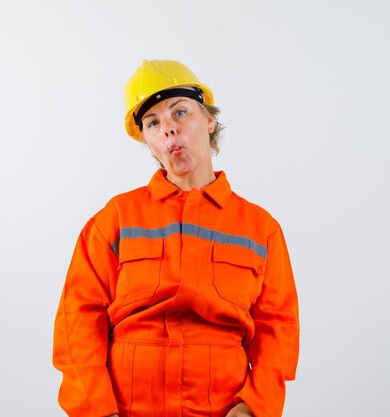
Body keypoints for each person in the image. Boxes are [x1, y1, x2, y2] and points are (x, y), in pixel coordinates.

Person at [53, 59, 299, 417]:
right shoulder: (116, 219)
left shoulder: (260, 228)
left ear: (210, 120)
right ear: (149, 144)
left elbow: (278, 329)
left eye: (179, 113)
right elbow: (77, 322)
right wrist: (97, 411)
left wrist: (252, 408)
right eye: (153, 123)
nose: (168, 129)